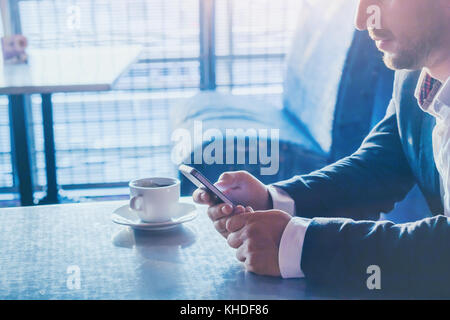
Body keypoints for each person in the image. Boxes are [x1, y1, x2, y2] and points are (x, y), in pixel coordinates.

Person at [193, 0, 450, 296]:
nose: (362, 18)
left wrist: (301, 246)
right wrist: (273, 199)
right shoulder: (415, 75)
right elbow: (379, 166)